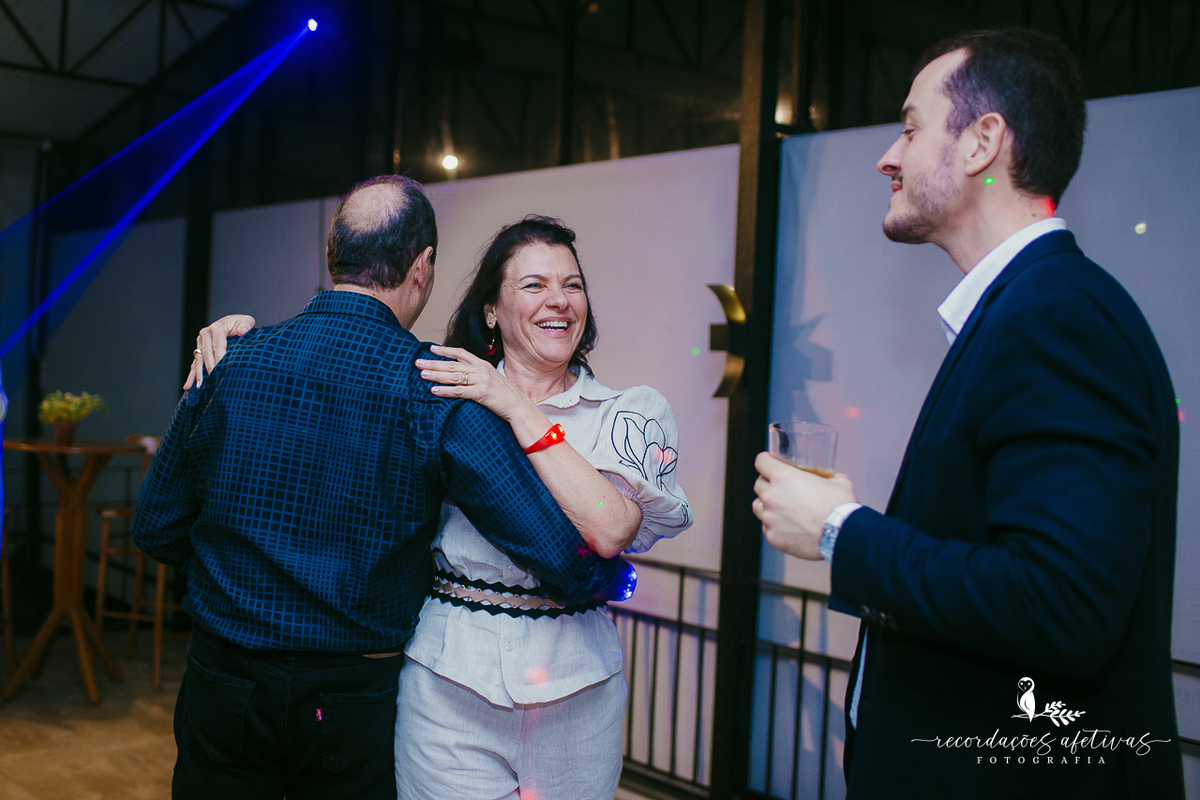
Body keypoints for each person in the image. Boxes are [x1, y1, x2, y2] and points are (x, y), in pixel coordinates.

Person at [752, 27, 1183, 799]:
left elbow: (1062, 608)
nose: (889, 155)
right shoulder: (1031, 308)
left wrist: (837, 530)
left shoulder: (1056, 317)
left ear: (984, 143)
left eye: (912, 128)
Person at [133, 177, 633, 800]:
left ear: (333, 255)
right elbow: (561, 554)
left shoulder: (233, 359)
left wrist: (237, 579)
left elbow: (154, 526)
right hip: (352, 693)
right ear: (422, 268)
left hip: (224, 674)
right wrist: (610, 577)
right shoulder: (435, 386)